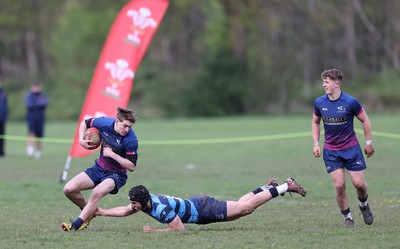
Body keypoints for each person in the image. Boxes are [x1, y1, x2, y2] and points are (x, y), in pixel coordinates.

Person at [94, 176, 306, 232]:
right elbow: (124, 211)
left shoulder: (159, 209)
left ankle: (285, 187)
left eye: (133, 203)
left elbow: (179, 229)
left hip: (203, 209)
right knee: (241, 210)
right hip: (200, 208)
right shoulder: (146, 201)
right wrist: (101, 212)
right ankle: (265, 187)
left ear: (141, 201)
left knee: (245, 209)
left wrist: (153, 231)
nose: (132, 206)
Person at [312, 68, 374, 226]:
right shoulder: (319, 102)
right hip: (331, 151)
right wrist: (316, 144)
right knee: (339, 184)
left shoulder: (350, 102)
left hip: (351, 149)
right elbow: (315, 122)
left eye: (327, 82)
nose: (324, 85)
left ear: (337, 83)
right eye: (323, 82)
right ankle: (347, 217)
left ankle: (363, 205)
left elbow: (365, 121)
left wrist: (368, 143)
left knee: (359, 184)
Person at [62, 107, 139, 231]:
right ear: (117, 121)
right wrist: (81, 140)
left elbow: (132, 166)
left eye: (130, 127)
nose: (127, 129)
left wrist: (113, 154)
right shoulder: (104, 123)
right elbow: (84, 123)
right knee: (69, 189)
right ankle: (89, 213)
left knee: (97, 192)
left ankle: (76, 225)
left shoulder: (131, 140)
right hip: (98, 168)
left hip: (116, 175)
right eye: (125, 126)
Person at [25, 81, 48, 159]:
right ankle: (30, 151)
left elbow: (44, 104)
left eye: (37, 87)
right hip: (31, 118)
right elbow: (29, 104)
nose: (36, 88)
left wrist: (35, 104)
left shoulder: (43, 95)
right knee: (31, 134)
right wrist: (38, 103)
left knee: (39, 136)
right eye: (34, 87)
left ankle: (38, 152)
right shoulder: (29, 96)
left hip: (40, 118)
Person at [0, 75, 8, 157]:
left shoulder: (3, 92)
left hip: (2, 118)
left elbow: (5, 105)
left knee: (2, 135)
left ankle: (1, 152)